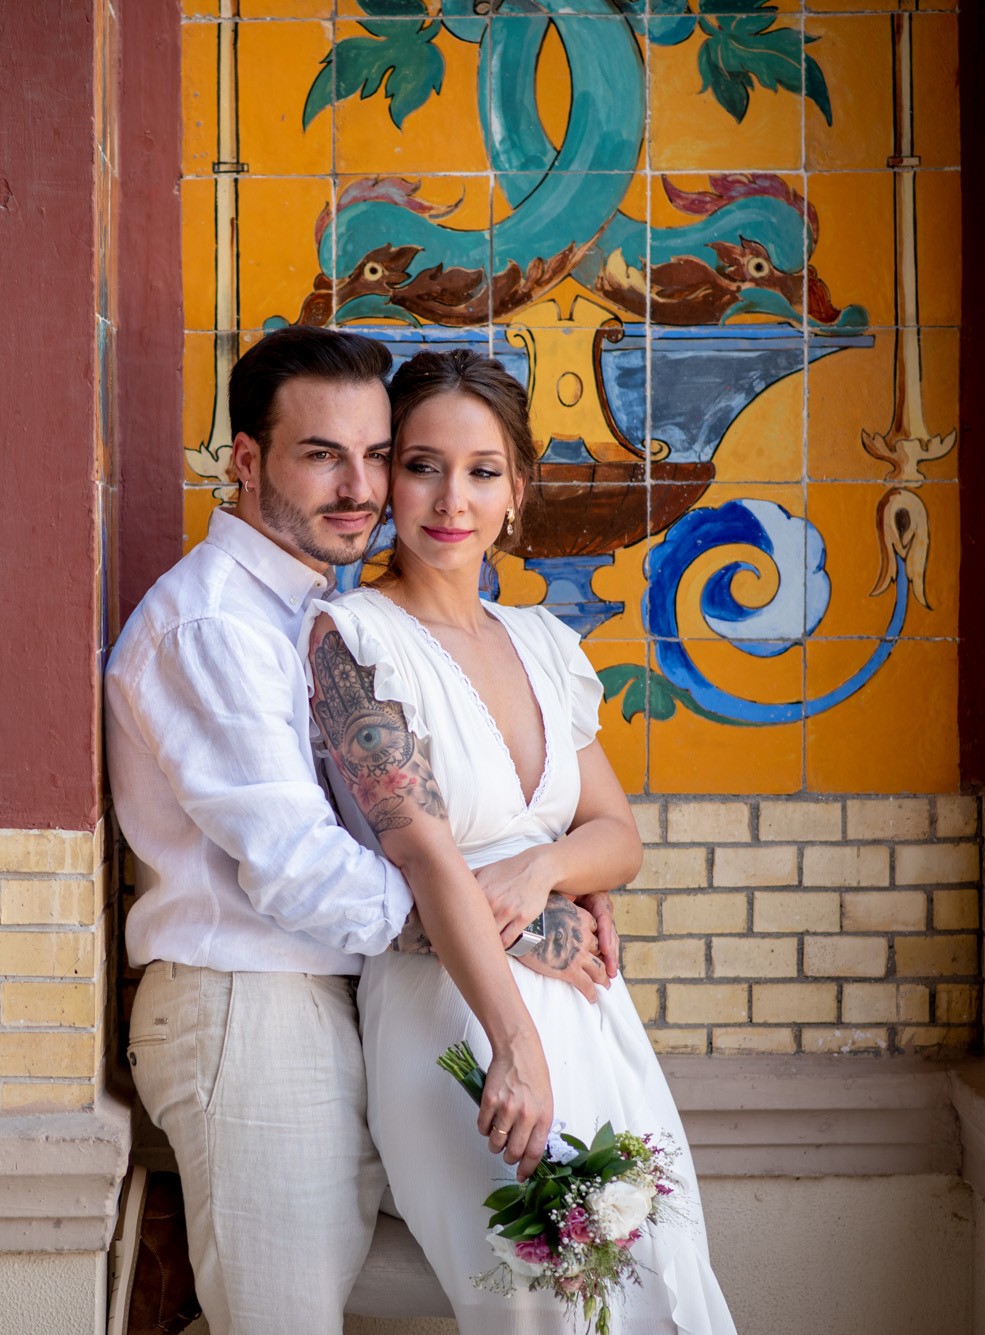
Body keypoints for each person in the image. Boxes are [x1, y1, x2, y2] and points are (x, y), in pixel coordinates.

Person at [106, 327, 620, 1335]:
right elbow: (301, 873)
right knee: (289, 1316)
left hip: (342, 999)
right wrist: (519, 923)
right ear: (246, 461)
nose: (360, 487)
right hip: (245, 1005)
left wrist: (545, 864)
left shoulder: (308, 613)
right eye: (319, 455)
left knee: (506, 1267)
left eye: (376, 455)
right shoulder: (213, 625)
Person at [308, 348, 737, 1334]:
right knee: (542, 1304)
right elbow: (420, 859)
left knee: (657, 1289)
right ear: (384, 481)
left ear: (517, 492)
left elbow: (615, 837)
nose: (449, 498)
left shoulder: (543, 642)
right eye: (420, 465)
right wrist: (513, 1047)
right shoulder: (353, 639)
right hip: (457, 1023)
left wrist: (539, 866)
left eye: (480, 470)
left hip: (590, 1021)